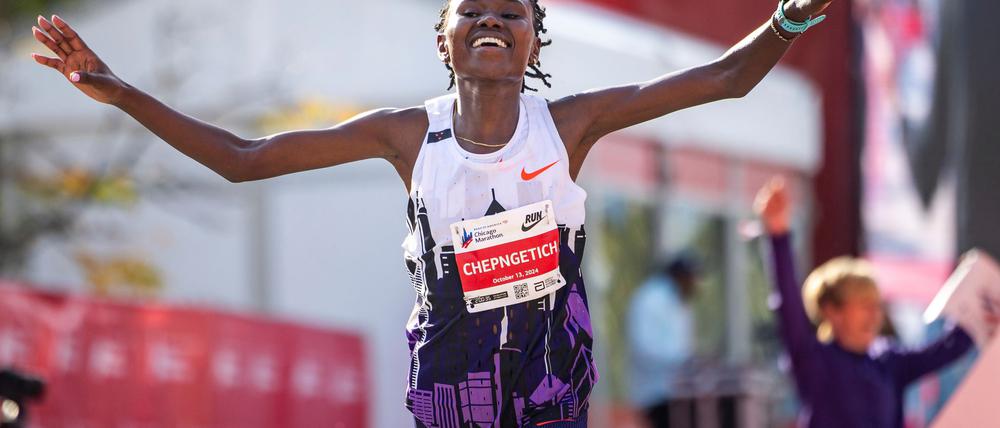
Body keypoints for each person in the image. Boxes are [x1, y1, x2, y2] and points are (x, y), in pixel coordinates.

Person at [29, 0, 836, 425]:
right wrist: (118, 90)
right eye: (471, 11)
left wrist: (789, 18)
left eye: (511, 12)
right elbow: (246, 160)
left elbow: (725, 79)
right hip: (454, 381)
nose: (491, 19)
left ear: (533, 40)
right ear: (444, 40)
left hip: (551, 378)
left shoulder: (571, 123)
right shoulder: (408, 134)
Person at [753, 178, 996, 428]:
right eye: (863, 304)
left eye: (877, 305)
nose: (874, 314)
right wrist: (778, 234)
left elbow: (947, 349)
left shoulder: (888, 361)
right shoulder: (814, 361)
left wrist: (983, 310)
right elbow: (788, 306)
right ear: (831, 311)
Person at [627, 256, 701, 428]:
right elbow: (645, 348)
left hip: (677, 393)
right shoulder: (651, 300)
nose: (696, 284)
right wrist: (684, 359)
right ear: (680, 276)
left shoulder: (679, 303)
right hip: (658, 394)